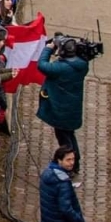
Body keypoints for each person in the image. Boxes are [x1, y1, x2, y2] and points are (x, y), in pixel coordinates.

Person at [37, 36, 90, 169]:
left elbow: (42, 65)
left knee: (65, 140)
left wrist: (48, 49)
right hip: (73, 109)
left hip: (60, 110)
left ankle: (70, 164)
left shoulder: (60, 68)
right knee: (69, 135)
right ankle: (75, 162)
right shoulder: (82, 65)